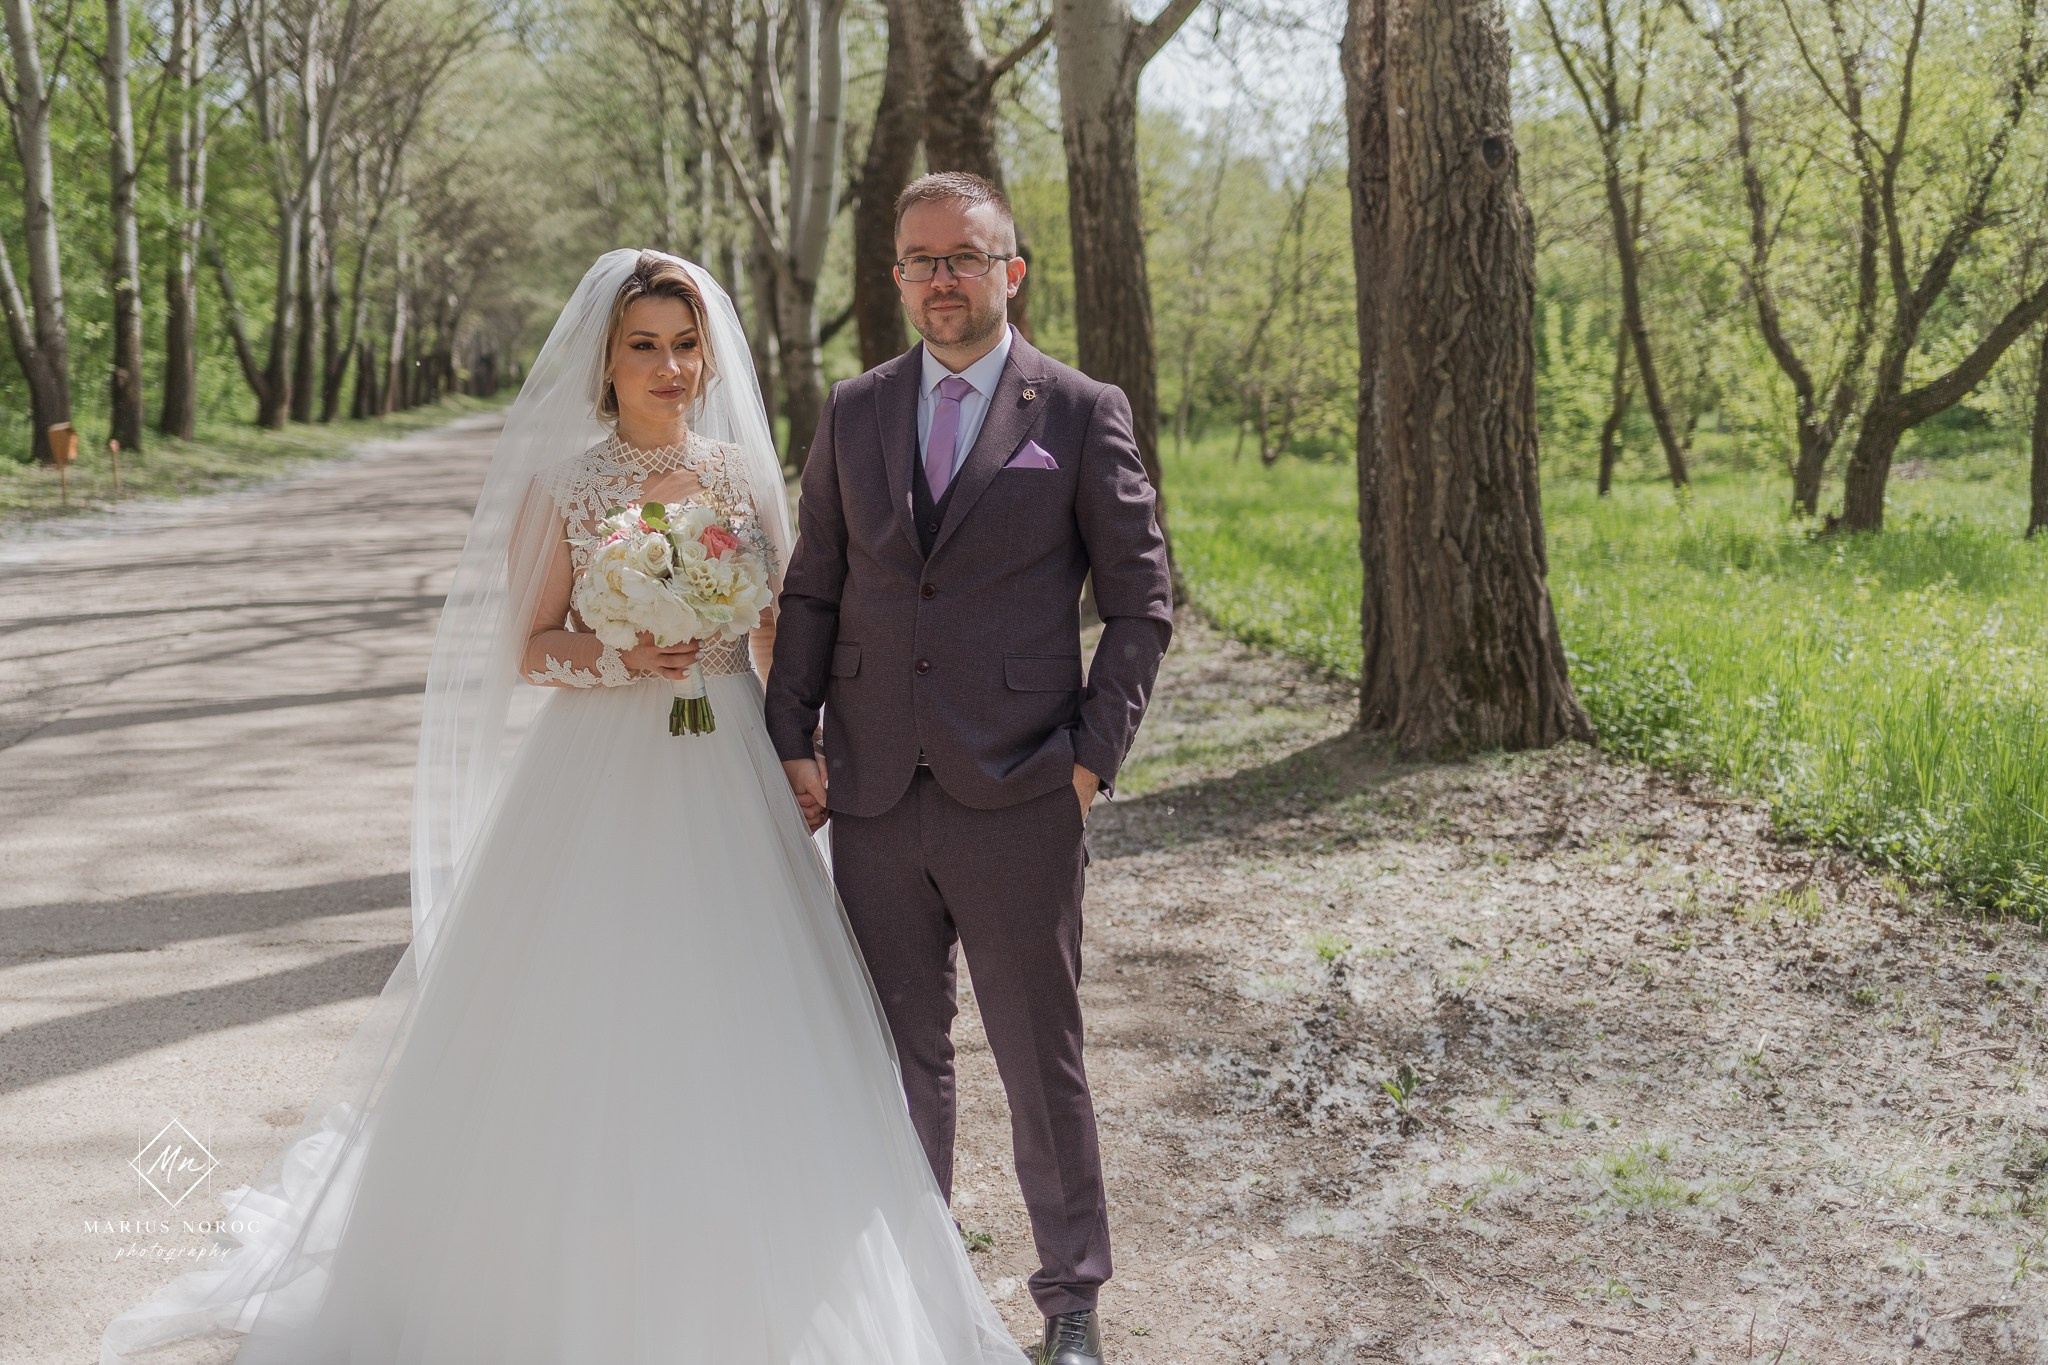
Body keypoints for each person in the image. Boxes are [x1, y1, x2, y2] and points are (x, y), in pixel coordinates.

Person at [99, 250, 1029, 1365]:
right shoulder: (567, 491)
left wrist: (800, 748)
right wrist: (625, 653)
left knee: (745, 993)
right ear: (603, 360)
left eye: (684, 345)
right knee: (590, 989)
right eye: (644, 346)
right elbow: (531, 650)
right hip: (601, 764)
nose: (670, 366)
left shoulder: (741, 478)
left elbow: (783, 628)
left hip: (727, 751)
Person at [767, 172, 1174, 1365]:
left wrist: (1089, 765)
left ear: (1012, 269)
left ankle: (1071, 1303)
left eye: (964, 255)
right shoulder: (853, 410)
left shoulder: (1082, 411)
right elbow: (814, 587)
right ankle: (913, 1288)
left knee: (1038, 1057)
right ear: (893, 276)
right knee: (897, 1054)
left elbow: (1143, 605)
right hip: (876, 788)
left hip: (1022, 793)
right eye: (918, 258)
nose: (940, 277)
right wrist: (791, 736)